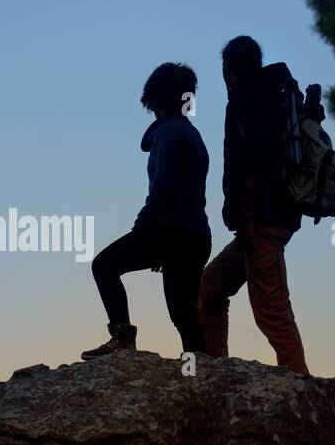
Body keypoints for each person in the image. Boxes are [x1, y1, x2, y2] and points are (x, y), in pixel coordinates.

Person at [81, 63, 211, 360]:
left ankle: (122, 340)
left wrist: (145, 229)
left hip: (169, 231)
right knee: (183, 315)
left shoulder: (169, 135)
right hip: (195, 236)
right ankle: (201, 374)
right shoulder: (192, 134)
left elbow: (162, 189)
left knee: (104, 266)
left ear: (153, 98)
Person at [197, 36, 310, 374]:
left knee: (272, 312)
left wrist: (246, 211)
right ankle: (217, 371)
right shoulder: (271, 95)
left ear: (229, 69)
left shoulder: (248, 99)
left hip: (261, 220)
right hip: (266, 219)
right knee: (211, 287)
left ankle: (302, 386)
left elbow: (258, 160)